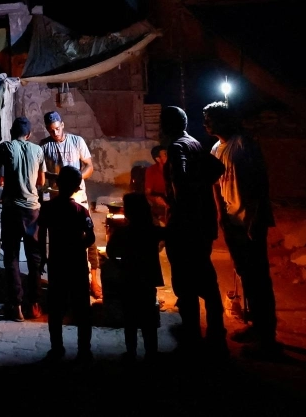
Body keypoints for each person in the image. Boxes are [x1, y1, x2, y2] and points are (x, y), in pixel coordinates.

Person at [204, 101, 281, 359]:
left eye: (210, 119)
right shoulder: (216, 149)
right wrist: (221, 216)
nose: (206, 124)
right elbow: (215, 184)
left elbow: (261, 184)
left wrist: (254, 220)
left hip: (249, 222)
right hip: (232, 222)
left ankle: (268, 338)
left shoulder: (244, 145)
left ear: (224, 120)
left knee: (258, 279)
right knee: (246, 276)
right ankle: (257, 328)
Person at [160, 105, 228, 357]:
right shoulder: (196, 143)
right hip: (203, 222)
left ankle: (192, 339)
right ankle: (216, 333)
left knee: (186, 284)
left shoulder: (177, 147)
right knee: (206, 279)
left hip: (186, 225)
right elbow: (217, 170)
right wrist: (200, 190)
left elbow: (180, 181)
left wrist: (178, 204)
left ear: (166, 125)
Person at [39, 111, 102, 299]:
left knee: (87, 238)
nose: (55, 133)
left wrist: (77, 177)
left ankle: (94, 280)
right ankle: (63, 282)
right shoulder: (44, 146)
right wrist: (59, 179)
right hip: (56, 198)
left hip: (78, 196)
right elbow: (41, 173)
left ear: (63, 125)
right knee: (60, 239)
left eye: (57, 129)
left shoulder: (77, 141)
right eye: (51, 131)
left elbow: (89, 165)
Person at [0, 116, 46, 321]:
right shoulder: (38, 150)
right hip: (33, 210)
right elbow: (41, 180)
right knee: (34, 258)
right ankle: (35, 304)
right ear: (29, 134)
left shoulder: (5, 148)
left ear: (13, 132)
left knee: (11, 257)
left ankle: (17, 307)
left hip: (12, 209)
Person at [38, 166, 95, 362]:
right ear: (78, 187)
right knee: (82, 309)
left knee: (55, 308)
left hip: (57, 263)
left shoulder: (48, 208)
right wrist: (78, 248)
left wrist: (42, 259)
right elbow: (91, 237)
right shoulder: (81, 210)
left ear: (58, 184)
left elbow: (42, 236)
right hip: (77, 265)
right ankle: (84, 350)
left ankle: (57, 348)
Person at [106, 192, 164, 361]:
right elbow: (168, 235)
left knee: (130, 318)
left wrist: (120, 263)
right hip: (147, 279)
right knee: (148, 318)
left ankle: (131, 352)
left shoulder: (123, 232)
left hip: (129, 279)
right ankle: (151, 352)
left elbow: (111, 252)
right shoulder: (152, 230)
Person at [144, 145, 169, 228]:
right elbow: (147, 193)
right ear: (158, 159)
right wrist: (155, 199)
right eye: (165, 154)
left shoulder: (174, 169)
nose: (169, 156)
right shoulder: (151, 171)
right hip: (159, 202)